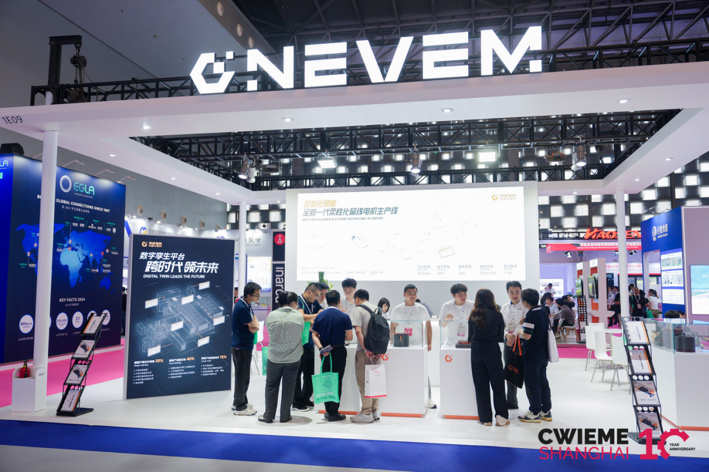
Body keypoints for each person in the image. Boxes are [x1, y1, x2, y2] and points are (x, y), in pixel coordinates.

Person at [260, 292, 313, 424]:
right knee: (289, 387)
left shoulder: (272, 315)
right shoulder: (298, 317)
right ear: (294, 303)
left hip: (274, 357)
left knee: (271, 386)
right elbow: (300, 333)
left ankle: (268, 415)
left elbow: (270, 333)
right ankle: (285, 416)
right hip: (293, 358)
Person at [391, 285, 436, 409]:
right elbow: (393, 327)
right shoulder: (397, 309)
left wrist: (429, 343)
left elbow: (428, 326)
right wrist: (392, 343)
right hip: (401, 346)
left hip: (418, 345)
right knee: (402, 371)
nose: (412, 295)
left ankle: (428, 398)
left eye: (415, 293)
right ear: (404, 294)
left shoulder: (422, 309)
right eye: (410, 293)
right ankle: (403, 397)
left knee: (423, 371)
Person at [468, 289, 508, 427]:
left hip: (476, 349)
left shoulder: (473, 314)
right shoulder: (497, 314)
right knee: (498, 383)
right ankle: (501, 416)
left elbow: (470, 336)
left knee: (480, 384)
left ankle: (485, 418)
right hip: (491, 348)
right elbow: (500, 336)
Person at [312, 290, 354, 422]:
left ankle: (328, 411)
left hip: (325, 352)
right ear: (339, 301)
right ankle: (333, 412)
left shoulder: (320, 316)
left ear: (326, 301)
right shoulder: (344, 317)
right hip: (339, 351)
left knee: (326, 380)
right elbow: (350, 337)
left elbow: (314, 335)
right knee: (337, 380)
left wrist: (321, 348)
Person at [518, 289, 552, 423]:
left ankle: (534, 411)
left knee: (532, 383)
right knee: (543, 381)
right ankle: (546, 410)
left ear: (525, 302)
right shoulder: (543, 311)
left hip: (532, 355)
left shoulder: (531, 315)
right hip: (543, 354)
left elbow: (527, 335)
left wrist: (520, 331)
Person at [350, 289, 382, 424]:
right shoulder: (378, 309)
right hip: (377, 352)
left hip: (364, 352)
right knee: (375, 381)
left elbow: (358, 331)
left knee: (363, 382)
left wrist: (365, 349)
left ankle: (366, 412)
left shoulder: (358, 309)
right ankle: (375, 411)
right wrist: (379, 350)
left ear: (357, 299)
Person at [293, 283, 324, 411]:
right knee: (297, 374)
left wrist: (311, 318)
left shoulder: (314, 303)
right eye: (316, 295)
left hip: (310, 344)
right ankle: (296, 401)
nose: (317, 298)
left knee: (310, 373)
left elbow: (321, 311)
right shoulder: (299, 300)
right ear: (309, 292)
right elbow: (301, 316)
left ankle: (306, 398)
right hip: (299, 343)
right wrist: (314, 316)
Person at [232, 282, 261, 416]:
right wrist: (255, 326)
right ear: (249, 295)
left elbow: (254, 320)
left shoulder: (246, 304)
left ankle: (239, 401)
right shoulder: (242, 307)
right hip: (241, 347)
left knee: (243, 376)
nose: (258, 297)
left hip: (243, 346)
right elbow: (253, 327)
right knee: (242, 377)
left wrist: (254, 324)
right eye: (256, 295)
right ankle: (240, 407)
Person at [500, 281, 527, 411]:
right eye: (511, 292)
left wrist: (514, 335)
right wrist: (507, 335)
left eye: (517, 291)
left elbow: (526, 325)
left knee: (526, 372)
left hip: (522, 342)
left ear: (521, 291)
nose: (514, 294)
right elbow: (502, 325)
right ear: (507, 292)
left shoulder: (526, 306)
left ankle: (534, 404)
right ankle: (511, 401)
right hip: (508, 342)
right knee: (510, 370)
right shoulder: (505, 307)